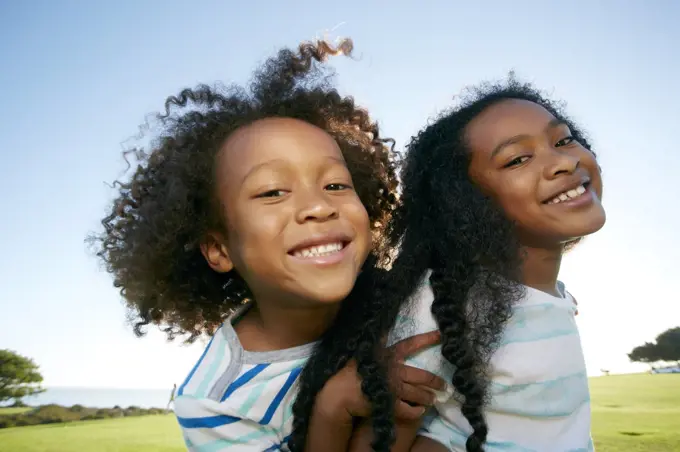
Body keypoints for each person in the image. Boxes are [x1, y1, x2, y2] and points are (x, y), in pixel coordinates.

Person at [91, 38, 443, 452]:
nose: (317, 206)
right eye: (273, 192)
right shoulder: (216, 401)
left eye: (335, 184)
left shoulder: (422, 301)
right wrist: (333, 407)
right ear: (220, 249)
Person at [293, 76, 606, 452]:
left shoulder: (550, 296)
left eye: (562, 139)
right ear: (467, 202)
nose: (562, 162)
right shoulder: (445, 305)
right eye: (518, 159)